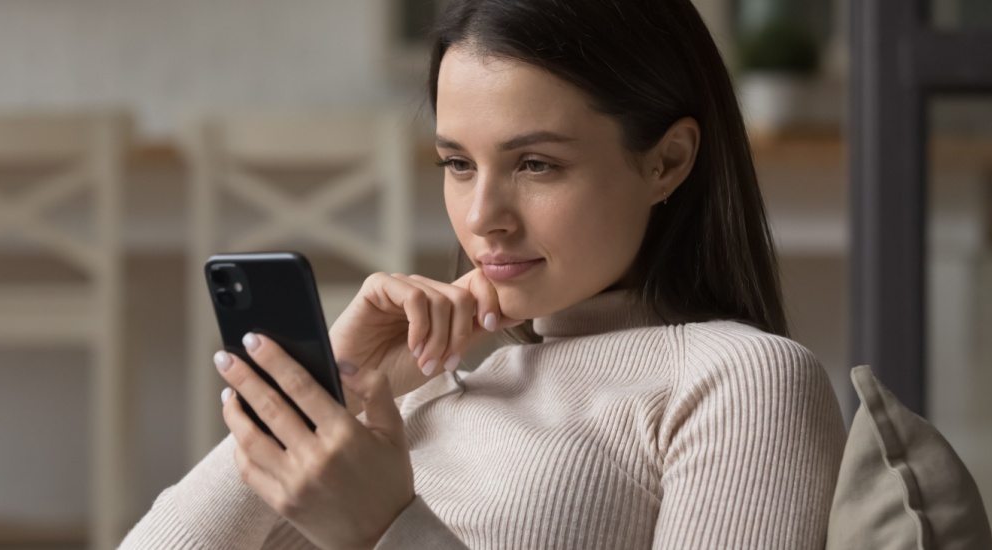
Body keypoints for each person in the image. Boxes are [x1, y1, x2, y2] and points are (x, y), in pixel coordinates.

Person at [121, 0, 846, 548]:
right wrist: (330, 381)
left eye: (537, 164)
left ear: (667, 162)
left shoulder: (739, 379)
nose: (481, 217)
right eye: (458, 164)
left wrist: (387, 525)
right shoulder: (420, 391)